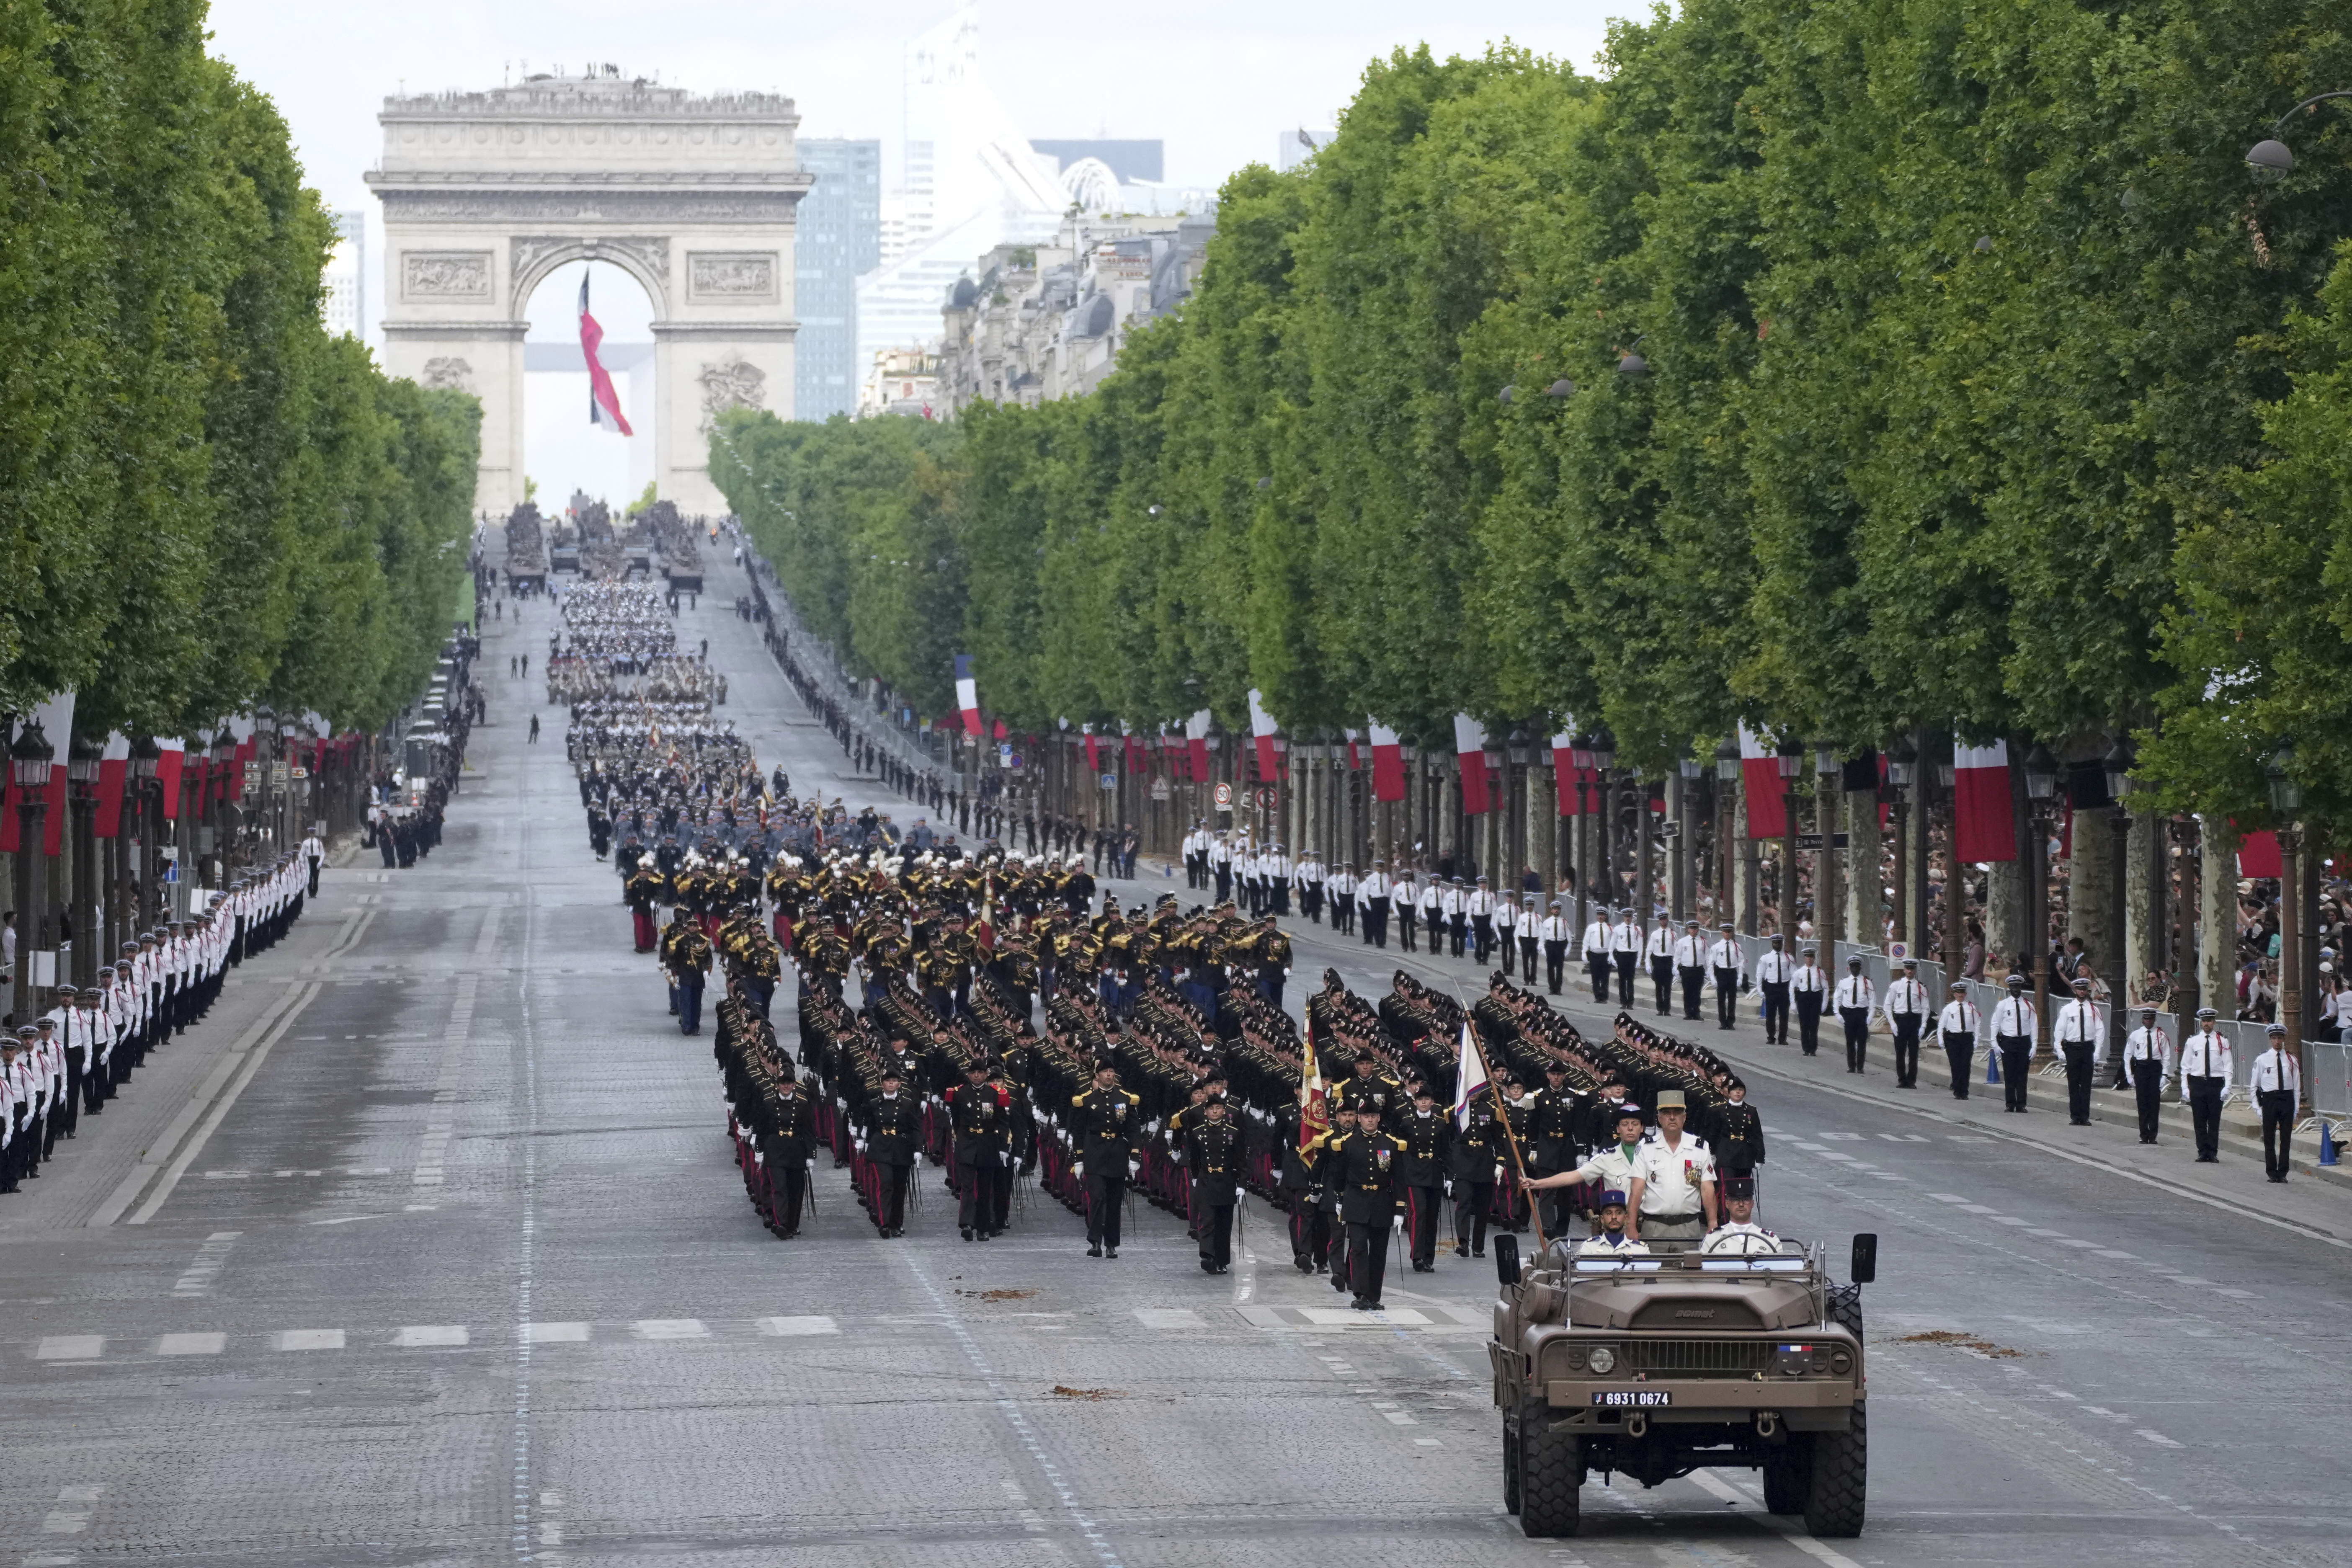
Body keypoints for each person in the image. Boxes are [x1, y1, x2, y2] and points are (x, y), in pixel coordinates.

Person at [1324, 1101, 1408, 1309]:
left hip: (1381, 1201)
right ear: (1359, 1119)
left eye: (1374, 1116)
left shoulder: (1390, 1144)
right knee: (1359, 1248)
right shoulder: (1348, 1143)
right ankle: (1360, 1293)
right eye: (1366, 1116)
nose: (1370, 1120)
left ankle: (1374, 1296)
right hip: (1356, 1200)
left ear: (1379, 1118)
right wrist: (1340, 1200)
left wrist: (1400, 1209)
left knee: (1379, 1252)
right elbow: (1339, 1175)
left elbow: (1399, 1178)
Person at [1523, 1101, 1645, 1235]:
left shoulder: (1653, 1154)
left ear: (1642, 1128)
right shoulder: (1607, 1157)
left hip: (1647, 1223)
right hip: (1618, 1223)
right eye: (1625, 1124)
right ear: (1617, 1129)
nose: (1630, 1128)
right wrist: (1537, 1183)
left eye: (1635, 1124)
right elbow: (1573, 1176)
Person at [1628, 1089, 1717, 1243]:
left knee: (1689, 1267)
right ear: (1659, 1118)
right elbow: (1637, 1189)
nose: (1672, 1117)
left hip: (1688, 1227)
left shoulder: (1700, 1148)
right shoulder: (1646, 1147)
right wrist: (1631, 1225)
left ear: (1684, 1117)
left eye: (1677, 1113)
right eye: (1666, 1113)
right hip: (1654, 1226)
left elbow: (1707, 1188)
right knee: (1654, 1268)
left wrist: (1713, 1223)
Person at [1073, 1063, 1142, 1258]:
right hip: (1094, 1152)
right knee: (1097, 1197)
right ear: (1097, 1076)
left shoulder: (1125, 1099)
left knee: (1114, 1201)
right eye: (1105, 1072)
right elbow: (1078, 1132)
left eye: (1112, 1071)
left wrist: (1135, 1155)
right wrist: (1078, 1159)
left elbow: (1134, 1129)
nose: (1109, 1075)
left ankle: (1111, 1243)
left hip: (1118, 1152)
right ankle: (1095, 1241)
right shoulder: (1087, 1100)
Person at [1181, 1097, 1243, 1272]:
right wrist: (1195, 1177)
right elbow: (1194, 1157)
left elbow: (1241, 1161)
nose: (1215, 1111)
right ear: (1206, 1112)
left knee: (1224, 1224)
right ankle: (1208, 1255)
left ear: (1224, 1111)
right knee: (1207, 1220)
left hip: (1226, 1180)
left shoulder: (1234, 1133)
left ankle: (1222, 1260)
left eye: (1218, 1108)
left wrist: (1242, 1184)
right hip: (1207, 1179)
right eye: (1211, 1109)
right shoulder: (1197, 1133)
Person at [1395, 1086, 1451, 1271]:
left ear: (1432, 1102)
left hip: (1434, 1172)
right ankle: (1417, 1256)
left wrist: (1450, 1176)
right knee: (1419, 1213)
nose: (1424, 1103)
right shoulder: (1407, 1123)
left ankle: (1428, 1257)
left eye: (1427, 1099)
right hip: (1414, 1173)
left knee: (1433, 1217)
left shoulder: (1441, 1124)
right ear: (1415, 1102)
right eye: (1421, 1100)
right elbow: (1400, 1149)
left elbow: (1446, 1151)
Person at [859, 1069, 919, 1237]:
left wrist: (918, 1150)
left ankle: (896, 1223)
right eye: (888, 1081)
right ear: (882, 1084)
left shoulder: (907, 1103)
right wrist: (864, 1143)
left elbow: (915, 1128)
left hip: (901, 1148)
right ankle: (884, 1223)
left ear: (899, 1084)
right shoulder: (874, 1103)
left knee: (900, 1188)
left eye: (894, 1080)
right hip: (880, 1147)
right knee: (885, 1183)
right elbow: (870, 1127)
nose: (891, 1083)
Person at [2248, 1024, 2301, 1182]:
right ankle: (2272, 1171)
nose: (2277, 1041)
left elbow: (2297, 1085)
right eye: (2274, 1038)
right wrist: (2257, 1108)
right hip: (2270, 1099)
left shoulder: (2291, 1060)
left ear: (2284, 1039)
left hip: (2286, 1099)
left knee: (2286, 1139)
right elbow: (2254, 1086)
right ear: (2270, 1040)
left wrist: (2296, 1107)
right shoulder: (2262, 1059)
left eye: (2280, 1038)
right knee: (2269, 1138)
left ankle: (2283, 1172)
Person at [2179, 1006, 2233, 1162]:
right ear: (2201, 1022)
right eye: (2204, 1021)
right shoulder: (2193, 1041)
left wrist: (2227, 1086)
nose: (2206, 1024)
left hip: (2215, 1083)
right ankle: (2202, 1151)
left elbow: (2228, 1066)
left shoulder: (2222, 1041)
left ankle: (2213, 1152)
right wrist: (2185, 1086)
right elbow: (2186, 1066)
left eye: (2209, 1021)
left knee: (2214, 1120)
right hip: (2198, 1083)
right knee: (2200, 1120)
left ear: (2214, 1022)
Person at [2052, 975, 2104, 1126]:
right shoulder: (2067, 1010)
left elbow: (2100, 1031)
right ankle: (2075, 1116)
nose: (2082, 992)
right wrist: (2060, 1050)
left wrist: (2097, 1051)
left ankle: (2085, 1116)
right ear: (2075, 990)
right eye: (2079, 989)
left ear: (2087, 991)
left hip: (2087, 1048)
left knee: (2086, 1084)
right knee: (2073, 1083)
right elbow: (2059, 1031)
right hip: (2073, 1048)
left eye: (2084, 989)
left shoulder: (2094, 1009)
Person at [2121, 1006, 2171, 1144]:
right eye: (2146, 1018)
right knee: (2142, 1102)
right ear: (2142, 1020)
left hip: (2155, 1068)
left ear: (2154, 1020)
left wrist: (2165, 1075)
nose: (2148, 1021)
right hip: (2141, 1068)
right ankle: (2144, 1134)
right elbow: (2128, 1056)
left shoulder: (2161, 1035)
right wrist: (2130, 1075)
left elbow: (2166, 1056)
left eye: (2150, 1018)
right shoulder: (2136, 1035)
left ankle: (2153, 1135)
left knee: (2154, 1103)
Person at [1699, 1176, 1783, 1254]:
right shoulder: (1713, 1239)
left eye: (1746, 1200)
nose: (1741, 1204)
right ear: (1727, 1204)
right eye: (1736, 1200)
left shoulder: (1770, 1241)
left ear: (1752, 1203)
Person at [1991, 972, 2037, 1112]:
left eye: (2018, 987)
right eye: (2013, 987)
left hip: (2024, 1042)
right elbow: (1995, 1024)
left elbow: (2034, 1025)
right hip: (2008, 1042)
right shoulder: (2003, 1005)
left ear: (2021, 988)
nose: (2016, 990)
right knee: (2010, 1074)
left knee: (2022, 1075)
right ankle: (2010, 1104)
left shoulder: (2029, 1005)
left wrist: (2034, 1045)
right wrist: (1995, 1044)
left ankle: (2021, 1104)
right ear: (2009, 988)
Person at [1883, 958, 1930, 1088]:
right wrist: (1892, 1023)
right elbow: (1887, 1005)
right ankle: (1902, 1079)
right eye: (1908, 969)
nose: (1910, 971)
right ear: (1904, 970)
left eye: (1912, 969)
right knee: (1900, 1052)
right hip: (1900, 1020)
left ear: (1915, 970)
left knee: (1914, 1052)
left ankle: (1912, 1081)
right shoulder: (1896, 986)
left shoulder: (1921, 987)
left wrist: (1924, 1025)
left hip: (1915, 1020)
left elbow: (1926, 1008)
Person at [1571, 1190, 1650, 1259]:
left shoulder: (1640, 1250)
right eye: (1609, 1213)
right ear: (1602, 1219)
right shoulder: (1589, 1248)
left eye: (1619, 1213)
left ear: (1626, 1218)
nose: (1614, 1217)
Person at [1938, 980, 1980, 1099]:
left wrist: (1976, 1039)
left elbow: (1977, 1024)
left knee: (1966, 1065)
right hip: (1953, 1039)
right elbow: (1942, 1024)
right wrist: (1940, 1039)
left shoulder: (1971, 1007)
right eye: (1958, 993)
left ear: (1965, 994)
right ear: (1954, 994)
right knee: (1956, 1064)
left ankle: (1965, 1090)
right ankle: (1957, 1089)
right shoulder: (1949, 1008)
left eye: (1963, 993)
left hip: (1967, 1038)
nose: (1961, 995)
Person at [1834, 955, 1875, 1073]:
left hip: (1862, 1013)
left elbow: (1872, 1000)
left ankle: (1860, 1067)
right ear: (1850, 968)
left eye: (1857, 967)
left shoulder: (1867, 983)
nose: (1855, 969)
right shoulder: (1844, 982)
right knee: (1850, 1042)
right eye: (1853, 967)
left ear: (1860, 968)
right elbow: (1837, 999)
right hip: (1849, 1013)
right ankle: (1851, 1066)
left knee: (1862, 1043)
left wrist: (1871, 1015)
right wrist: (1838, 1014)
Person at [1757, 934, 1794, 1044]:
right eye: (1775, 943)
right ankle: (1771, 1037)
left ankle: (1783, 1038)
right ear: (1772, 944)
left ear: (1782, 944)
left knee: (1784, 1015)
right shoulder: (1766, 958)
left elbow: (1794, 975)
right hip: (1771, 988)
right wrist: (1759, 989)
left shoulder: (1788, 958)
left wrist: (1793, 990)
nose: (1777, 945)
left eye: (1779, 943)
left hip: (1784, 988)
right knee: (1770, 1015)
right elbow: (1760, 974)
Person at [1707, 922, 1744, 1030]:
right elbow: (1711, 963)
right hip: (1722, 973)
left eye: (1729, 932)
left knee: (1732, 999)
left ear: (1732, 933)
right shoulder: (1716, 947)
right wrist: (1713, 979)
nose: (1727, 934)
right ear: (1722, 933)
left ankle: (1731, 1021)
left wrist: (1741, 977)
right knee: (1721, 999)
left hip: (1732, 973)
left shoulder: (1737, 946)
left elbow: (1741, 962)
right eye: (1725, 932)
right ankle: (1723, 1022)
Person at [1672, 919, 1706, 1019]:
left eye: (1695, 929)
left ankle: (1696, 1012)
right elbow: (1677, 957)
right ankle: (1688, 1012)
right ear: (1688, 930)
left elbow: (1708, 956)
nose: (1694, 931)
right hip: (1687, 970)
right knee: (1687, 992)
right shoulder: (1682, 942)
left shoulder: (1703, 941)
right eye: (1692, 929)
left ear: (1698, 930)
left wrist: (1709, 971)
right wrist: (1676, 969)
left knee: (1697, 992)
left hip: (1698, 969)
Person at [1644, 914, 1675, 1015]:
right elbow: (1649, 949)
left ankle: (1667, 1009)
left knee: (1667, 986)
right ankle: (1660, 1008)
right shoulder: (1655, 934)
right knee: (1658, 986)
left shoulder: (1673, 934)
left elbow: (1677, 950)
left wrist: (1676, 965)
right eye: (1661, 920)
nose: (1663, 921)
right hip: (1658, 961)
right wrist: (1648, 963)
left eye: (1665, 919)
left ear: (1667, 920)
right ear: (1659, 921)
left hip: (1669, 960)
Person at [1583, 905, 1613, 1002]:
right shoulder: (1591, 927)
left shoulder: (1610, 928)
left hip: (1605, 955)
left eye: (1603, 915)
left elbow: (1613, 941)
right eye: (1599, 915)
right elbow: (1586, 941)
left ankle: (1604, 997)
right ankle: (1597, 996)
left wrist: (1612, 955)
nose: (1600, 917)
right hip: (1595, 955)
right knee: (1595, 977)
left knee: (1605, 977)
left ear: (1606, 916)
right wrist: (1584, 953)